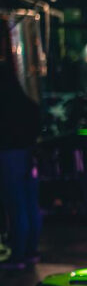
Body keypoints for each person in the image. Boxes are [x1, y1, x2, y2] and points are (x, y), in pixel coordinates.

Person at [0, 34, 41, 270]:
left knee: (16, 206)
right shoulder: (25, 103)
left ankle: (18, 255)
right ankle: (31, 251)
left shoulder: (5, 107)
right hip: (28, 154)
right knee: (29, 204)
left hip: (9, 155)